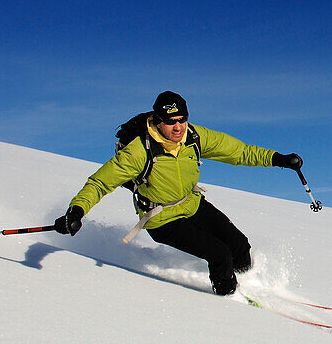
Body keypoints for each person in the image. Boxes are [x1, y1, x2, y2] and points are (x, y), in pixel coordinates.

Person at [54, 90, 304, 296]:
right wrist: (76, 211)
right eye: (170, 121)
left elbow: (239, 151)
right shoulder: (139, 151)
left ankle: (251, 286)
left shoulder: (194, 136)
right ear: (158, 121)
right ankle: (229, 299)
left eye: (182, 119)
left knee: (239, 246)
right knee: (220, 254)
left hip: (191, 204)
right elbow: (99, 183)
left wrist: (278, 159)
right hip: (161, 218)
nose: (177, 127)